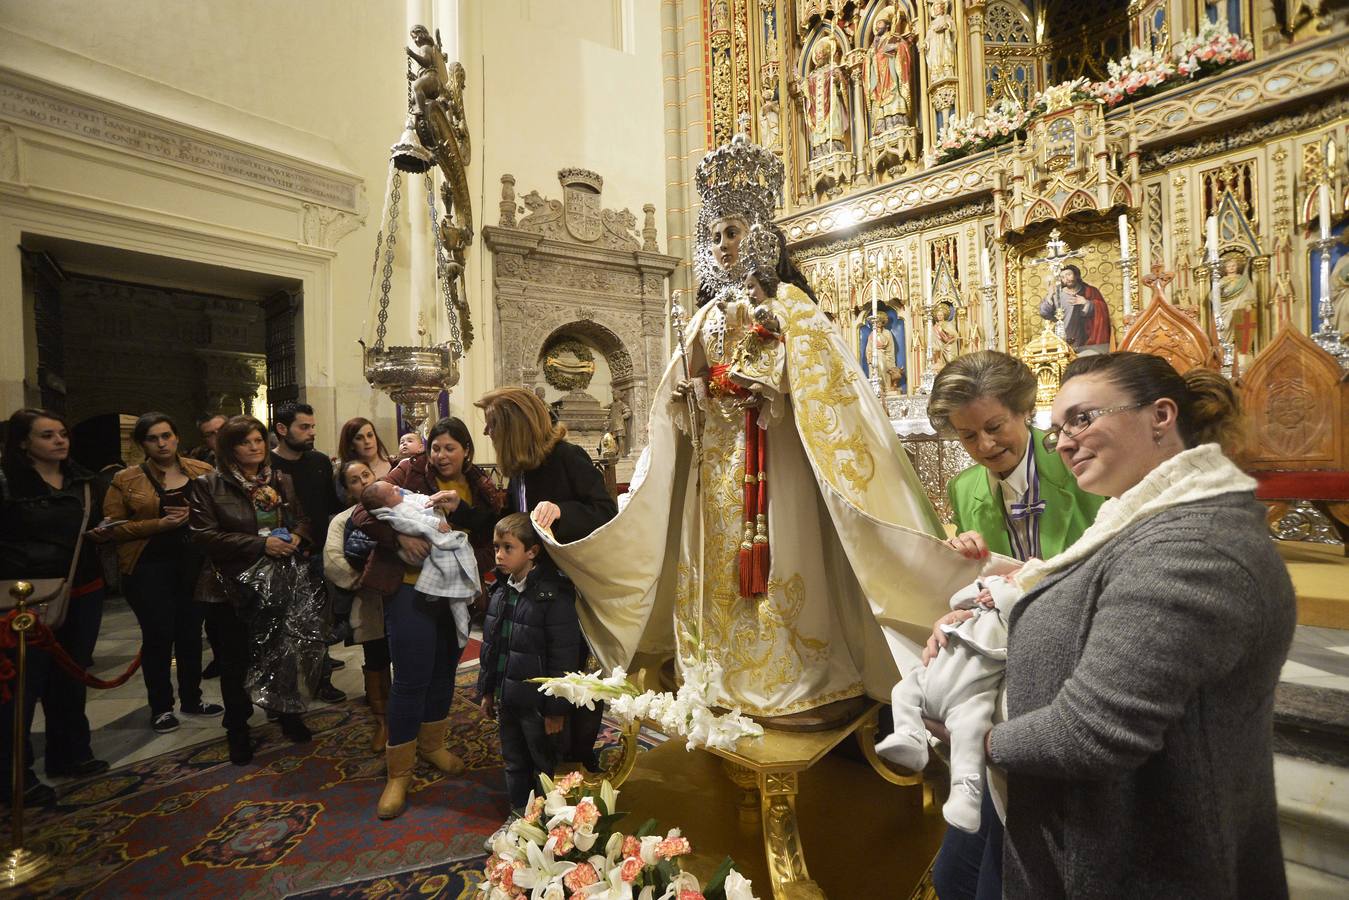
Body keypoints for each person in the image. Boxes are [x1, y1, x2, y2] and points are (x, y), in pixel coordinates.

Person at [538, 134, 975, 736]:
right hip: (713, 472)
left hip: (781, 462)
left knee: (785, 562)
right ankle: (715, 671)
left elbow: (827, 384)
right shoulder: (703, 315)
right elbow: (680, 392)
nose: (723, 244)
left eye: (734, 230)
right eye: (714, 234)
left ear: (763, 236)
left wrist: (771, 370)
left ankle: (794, 675)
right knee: (715, 573)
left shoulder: (791, 306)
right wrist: (690, 387)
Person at [983, 352, 1294, 898]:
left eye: (1082, 418)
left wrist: (973, 740)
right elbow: (1080, 598)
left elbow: (1094, 731)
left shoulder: (1193, 547)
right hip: (1100, 830)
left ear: (1161, 415)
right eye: (1056, 429)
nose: (1063, 441)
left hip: (1150, 858)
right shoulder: (1143, 519)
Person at [923, 349, 1104, 900]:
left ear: (1026, 410)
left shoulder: (1081, 466)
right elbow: (980, 594)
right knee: (953, 875)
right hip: (1008, 670)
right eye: (967, 437)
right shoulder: (964, 490)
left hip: (1072, 667)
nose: (984, 447)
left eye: (994, 427)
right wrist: (962, 585)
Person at [350, 415, 503, 818]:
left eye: (450, 448)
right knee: (412, 675)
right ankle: (398, 772)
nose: (440, 455)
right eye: (435, 447)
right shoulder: (408, 471)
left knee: (444, 669)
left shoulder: (481, 486)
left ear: (467, 451)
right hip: (409, 587)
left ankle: (432, 744)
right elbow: (361, 514)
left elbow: (492, 535)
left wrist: (471, 561)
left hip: (454, 589)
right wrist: (399, 536)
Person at [474, 387, 616, 767]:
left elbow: (605, 512)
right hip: (528, 593)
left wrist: (563, 511)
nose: (487, 434)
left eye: (491, 426)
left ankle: (577, 763)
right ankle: (543, 763)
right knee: (533, 673)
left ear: (514, 426)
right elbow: (515, 525)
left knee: (570, 679)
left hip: (565, 596)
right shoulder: (522, 468)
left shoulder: (567, 457)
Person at [0, 409, 111, 802]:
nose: (60, 441)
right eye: (48, 436)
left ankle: (70, 753)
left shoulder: (83, 480)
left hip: (82, 588)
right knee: (23, 684)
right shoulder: (8, 483)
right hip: (24, 595)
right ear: (23, 443)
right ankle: (15, 775)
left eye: (63, 433)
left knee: (71, 674)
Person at [189, 415, 313, 764]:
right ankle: (238, 728)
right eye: (246, 442)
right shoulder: (208, 485)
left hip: (277, 579)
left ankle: (287, 713)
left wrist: (298, 536)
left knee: (281, 652)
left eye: (259, 439)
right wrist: (261, 546)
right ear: (230, 447)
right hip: (227, 586)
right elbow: (203, 536)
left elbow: (301, 518)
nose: (256, 446)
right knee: (234, 661)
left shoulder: (279, 479)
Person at [103, 413, 222, 734]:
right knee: (158, 637)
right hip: (147, 567)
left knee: (190, 635)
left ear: (177, 437)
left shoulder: (202, 471)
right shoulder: (126, 479)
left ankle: (192, 698)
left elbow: (221, 514)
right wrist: (160, 524)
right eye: (153, 438)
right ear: (143, 444)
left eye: (166, 435)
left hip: (193, 564)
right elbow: (112, 528)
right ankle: (161, 707)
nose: (161, 443)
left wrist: (193, 515)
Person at [878, 575, 1019, 833]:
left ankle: (965, 796)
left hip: (973, 691)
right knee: (902, 692)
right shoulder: (977, 607)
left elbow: (1015, 603)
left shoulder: (1018, 611)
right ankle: (910, 737)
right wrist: (984, 588)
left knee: (970, 732)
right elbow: (956, 599)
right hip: (937, 670)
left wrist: (1003, 588)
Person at [477, 513, 580, 811]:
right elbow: (491, 648)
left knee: (545, 765)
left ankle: (548, 820)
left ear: (532, 551)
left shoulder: (553, 597)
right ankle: (518, 814)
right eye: (496, 547)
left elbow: (563, 657)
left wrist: (556, 709)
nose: (499, 554)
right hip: (508, 700)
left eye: (508, 547)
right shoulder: (500, 591)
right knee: (514, 760)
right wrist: (487, 690)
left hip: (538, 706)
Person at [269, 402, 345, 702]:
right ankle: (281, 689)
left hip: (318, 553)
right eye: (304, 427)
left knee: (319, 623)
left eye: (313, 426)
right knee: (283, 626)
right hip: (281, 555)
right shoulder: (268, 468)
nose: (311, 432)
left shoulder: (319, 462)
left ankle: (320, 680)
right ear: (282, 429)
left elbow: (330, 506)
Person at [323, 459, 390, 753]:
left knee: (407, 657)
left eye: (366, 474)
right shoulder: (343, 519)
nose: (362, 482)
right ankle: (383, 720)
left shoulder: (393, 508)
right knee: (376, 658)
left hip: (400, 599)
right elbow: (333, 560)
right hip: (368, 600)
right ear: (347, 488)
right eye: (354, 479)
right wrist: (365, 580)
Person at [1038, 264, 1111, 354]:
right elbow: (1044, 313)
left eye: (1069, 274)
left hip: (1087, 339)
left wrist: (1087, 303)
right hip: (1064, 337)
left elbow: (1103, 310)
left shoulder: (1090, 291)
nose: (1066, 278)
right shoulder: (1057, 294)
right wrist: (1049, 296)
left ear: (1076, 275)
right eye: (1062, 277)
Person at [339, 417, 394, 481]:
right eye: (359, 438)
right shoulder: (344, 476)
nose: (367, 441)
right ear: (351, 445)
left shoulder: (397, 465)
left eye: (370, 435)